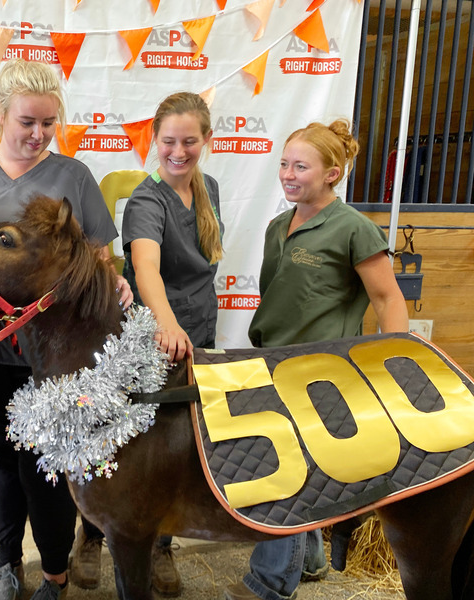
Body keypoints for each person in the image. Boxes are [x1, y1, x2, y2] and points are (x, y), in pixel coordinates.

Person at [0, 58, 132, 600]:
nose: (38, 134)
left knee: (45, 465)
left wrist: (112, 282)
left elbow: (100, 261)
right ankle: (8, 565)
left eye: (48, 123)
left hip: (52, 356)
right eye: (27, 121)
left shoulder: (72, 176)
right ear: (0, 114)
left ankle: (54, 572)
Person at [223, 119, 409, 600]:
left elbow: (388, 299)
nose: (288, 174)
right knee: (297, 470)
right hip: (272, 362)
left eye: (300, 166)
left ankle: (268, 583)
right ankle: (310, 558)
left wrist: (398, 366)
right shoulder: (275, 227)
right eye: (284, 164)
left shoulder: (355, 229)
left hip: (323, 372)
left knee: (288, 478)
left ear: (332, 173)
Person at [69, 91, 225, 598]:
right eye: (168, 141)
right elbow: (145, 269)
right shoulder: (145, 198)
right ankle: (93, 535)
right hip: (154, 335)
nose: (178, 151)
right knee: (126, 449)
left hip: (199, 331)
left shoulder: (210, 189)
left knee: (176, 450)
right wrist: (166, 323)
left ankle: (162, 545)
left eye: (190, 141)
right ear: (153, 140)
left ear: (206, 140)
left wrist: (190, 328)